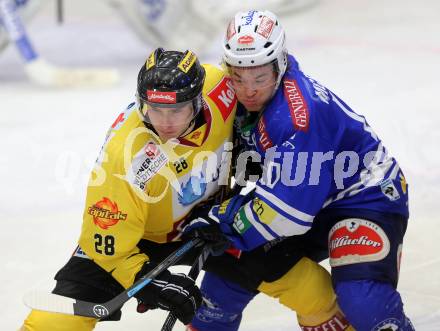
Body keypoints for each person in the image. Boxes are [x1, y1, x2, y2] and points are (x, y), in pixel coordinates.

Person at [20, 47, 349, 330]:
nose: (165, 122)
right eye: (155, 110)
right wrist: (151, 284)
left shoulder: (220, 87)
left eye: (176, 110)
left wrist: (257, 171)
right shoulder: (126, 156)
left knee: (312, 289)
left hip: (210, 220)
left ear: (198, 101)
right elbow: (108, 245)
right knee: (53, 322)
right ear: (140, 102)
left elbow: (267, 99)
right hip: (135, 241)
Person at [183, 9, 415, 331]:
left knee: (362, 299)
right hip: (306, 200)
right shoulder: (235, 95)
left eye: (259, 78)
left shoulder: (297, 115)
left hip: (364, 199)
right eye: (238, 77)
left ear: (280, 65)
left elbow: (287, 215)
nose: (248, 90)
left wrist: (225, 220)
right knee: (223, 283)